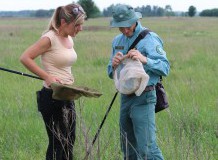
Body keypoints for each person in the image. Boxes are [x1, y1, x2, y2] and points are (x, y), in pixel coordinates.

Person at [20, 3, 86, 160]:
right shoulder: (49, 38)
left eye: (81, 25)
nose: (80, 29)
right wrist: (47, 77)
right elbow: (25, 58)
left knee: (69, 142)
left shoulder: (69, 38)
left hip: (67, 95)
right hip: (52, 97)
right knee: (58, 144)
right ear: (64, 23)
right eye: (77, 25)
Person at [107, 4, 170, 160]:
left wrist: (145, 60)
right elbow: (110, 72)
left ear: (135, 20)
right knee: (128, 147)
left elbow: (165, 67)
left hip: (145, 96)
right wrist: (113, 66)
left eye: (127, 26)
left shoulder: (150, 38)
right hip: (125, 98)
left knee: (147, 149)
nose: (125, 31)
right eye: (121, 28)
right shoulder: (117, 41)